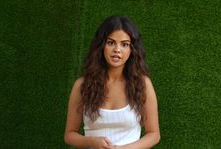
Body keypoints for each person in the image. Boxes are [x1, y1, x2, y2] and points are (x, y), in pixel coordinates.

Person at [64, 15, 160, 149]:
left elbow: (154, 134)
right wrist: (93, 141)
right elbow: (69, 135)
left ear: (132, 50)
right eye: (111, 43)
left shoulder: (142, 84)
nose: (117, 50)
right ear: (101, 46)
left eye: (124, 44)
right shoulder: (82, 85)